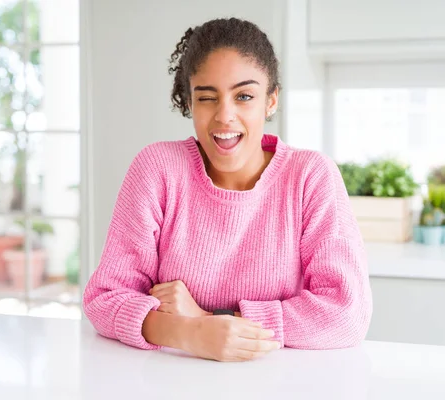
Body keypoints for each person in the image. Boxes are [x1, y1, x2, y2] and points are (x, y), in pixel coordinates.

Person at [83, 17, 372, 362]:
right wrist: (187, 333)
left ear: (271, 101)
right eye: (207, 98)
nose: (225, 116)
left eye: (245, 96)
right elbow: (105, 297)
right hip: (168, 380)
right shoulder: (157, 169)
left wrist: (210, 319)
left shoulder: (310, 176)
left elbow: (346, 313)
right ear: (189, 102)